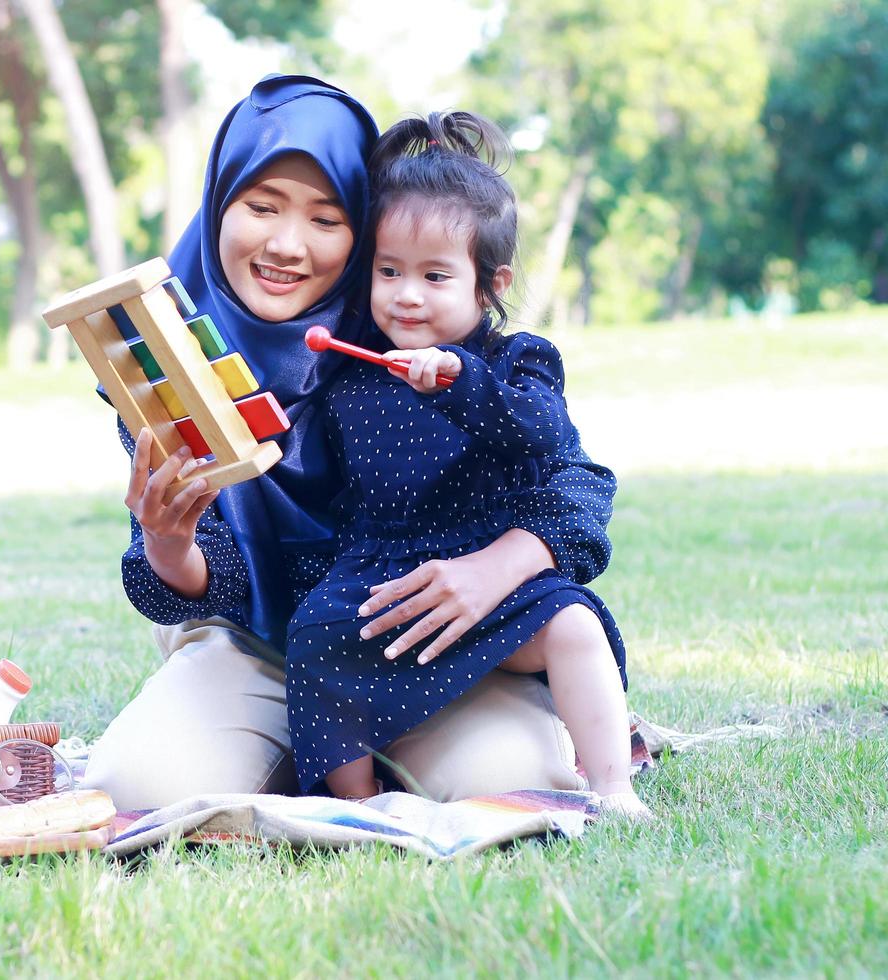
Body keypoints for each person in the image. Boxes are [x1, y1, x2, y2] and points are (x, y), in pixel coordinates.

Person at [81, 76, 618, 810]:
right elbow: (210, 581)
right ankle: (303, 752)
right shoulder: (172, 368)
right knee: (138, 790)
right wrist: (167, 544)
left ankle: (372, 751)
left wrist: (493, 570)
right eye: (259, 207)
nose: (284, 244)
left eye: (326, 219)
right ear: (215, 209)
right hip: (261, 646)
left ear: (364, 232)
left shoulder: (418, 334)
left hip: (435, 634)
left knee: (511, 789)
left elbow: (575, 480)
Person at [284, 109, 648, 817]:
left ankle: (612, 785)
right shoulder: (351, 376)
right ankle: (360, 803)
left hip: (494, 570)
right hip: (381, 570)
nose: (406, 294)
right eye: (387, 271)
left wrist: (462, 381)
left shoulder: (512, 363)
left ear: (488, 285)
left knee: (572, 624)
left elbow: (546, 435)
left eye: (434, 276)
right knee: (313, 636)